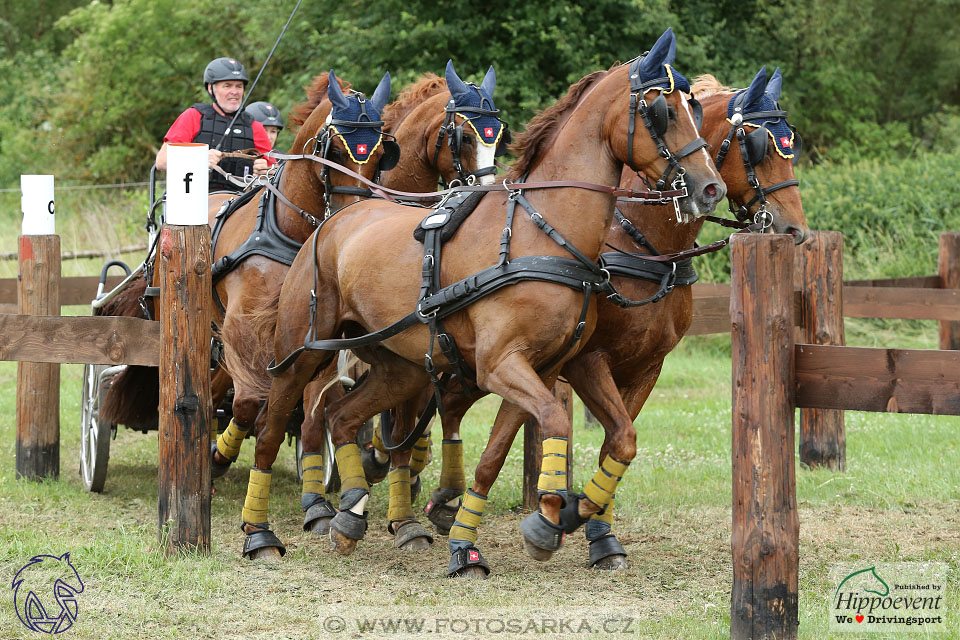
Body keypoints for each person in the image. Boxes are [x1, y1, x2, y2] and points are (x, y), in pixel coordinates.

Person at [155, 57, 274, 192]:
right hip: (195, 196)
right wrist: (200, 159)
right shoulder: (193, 116)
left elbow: (275, 171)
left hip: (241, 200)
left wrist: (266, 170)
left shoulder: (254, 126)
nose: (235, 92)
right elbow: (162, 161)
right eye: (227, 86)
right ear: (211, 89)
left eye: (239, 86)